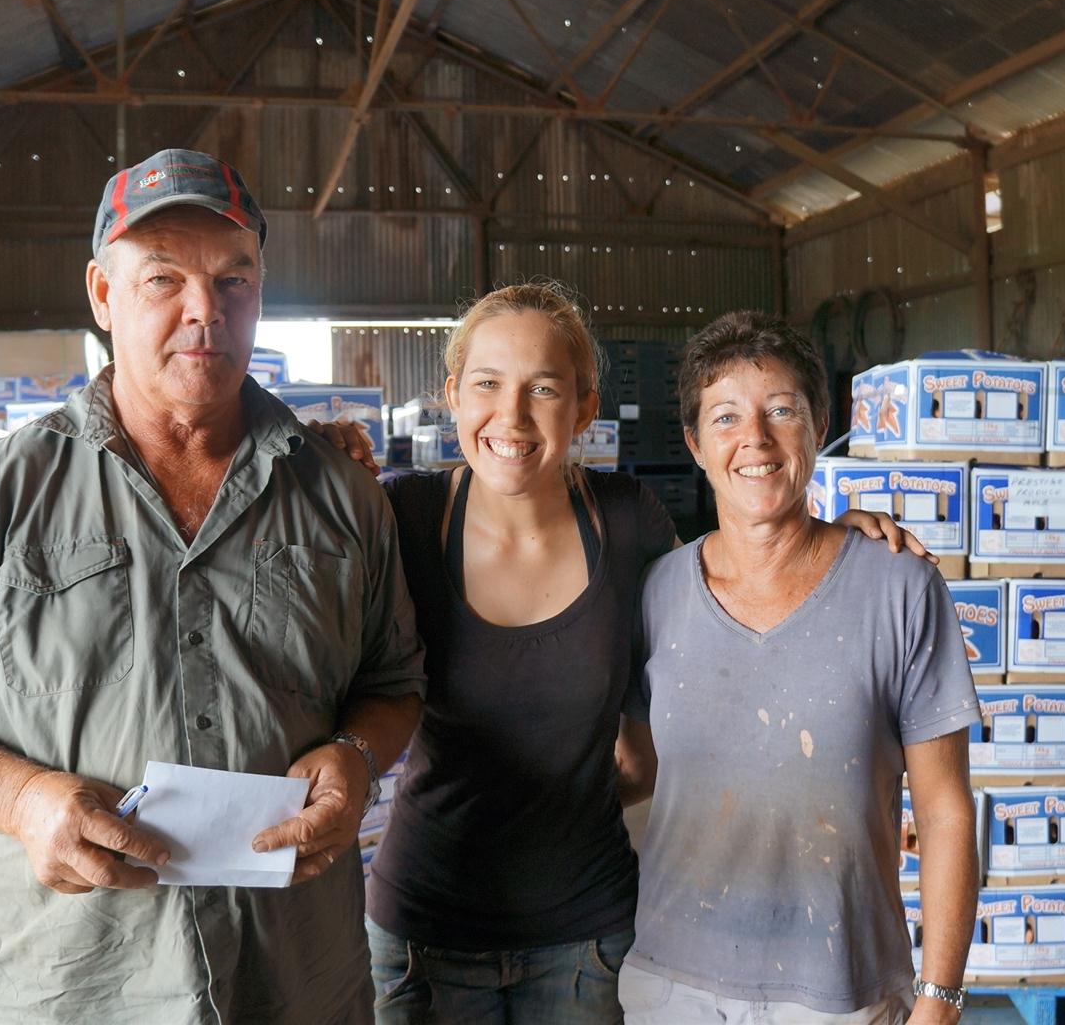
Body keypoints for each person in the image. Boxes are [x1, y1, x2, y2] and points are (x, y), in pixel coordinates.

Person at [0, 149, 425, 1025]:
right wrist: (24, 799)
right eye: (163, 280)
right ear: (102, 295)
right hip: (74, 981)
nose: (205, 311)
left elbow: (393, 683)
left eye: (236, 279)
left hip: (292, 976)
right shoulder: (4, 491)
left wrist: (353, 754)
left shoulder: (339, 491)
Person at [309, 284, 934, 1025]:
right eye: (486, 384)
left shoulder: (626, 522)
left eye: (542, 389)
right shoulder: (402, 516)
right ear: (451, 394)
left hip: (586, 940)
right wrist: (312, 453)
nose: (510, 417)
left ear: (582, 408)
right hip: (422, 931)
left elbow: (736, 594)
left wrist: (837, 539)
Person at [616, 311, 980, 1025]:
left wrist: (939, 999)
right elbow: (632, 767)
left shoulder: (898, 588)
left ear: (817, 429)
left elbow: (943, 812)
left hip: (841, 988)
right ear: (693, 443)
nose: (754, 438)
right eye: (724, 417)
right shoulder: (655, 594)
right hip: (672, 986)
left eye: (781, 410)